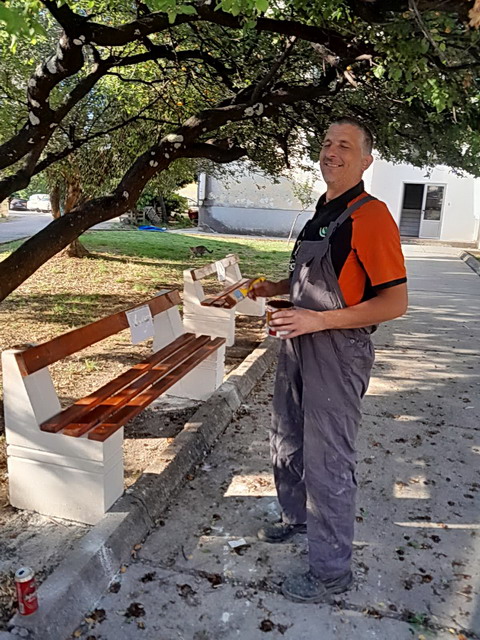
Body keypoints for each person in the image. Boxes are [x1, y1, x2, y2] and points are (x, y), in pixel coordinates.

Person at [249, 116, 408, 603]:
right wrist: (275, 288)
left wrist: (318, 321)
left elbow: (394, 302)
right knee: (286, 436)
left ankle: (331, 573)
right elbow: (321, 275)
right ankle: (296, 518)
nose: (331, 152)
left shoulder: (371, 216)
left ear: (366, 161)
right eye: (326, 143)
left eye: (345, 146)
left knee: (328, 458)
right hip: (298, 342)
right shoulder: (323, 209)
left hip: (338, 353)